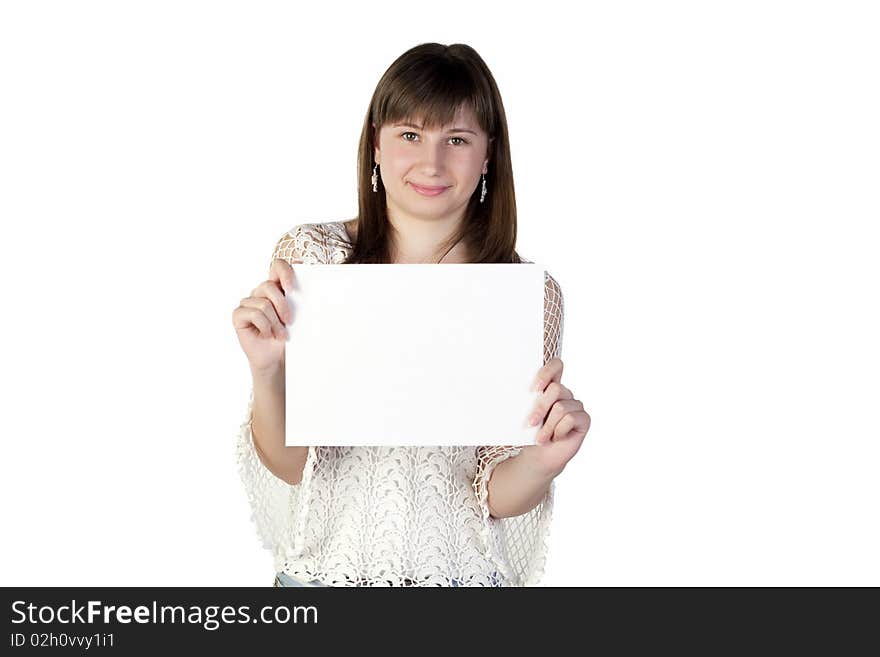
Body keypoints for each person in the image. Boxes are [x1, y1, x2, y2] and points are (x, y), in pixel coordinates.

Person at [231, 43, 591, 587]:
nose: (432, 162)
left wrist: (547, 459)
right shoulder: (314, 260)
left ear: (488, 154)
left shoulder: (523, 295)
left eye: (457, 139)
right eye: (409, 135)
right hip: (322, 582)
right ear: (376, 143)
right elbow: (291, 463)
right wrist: (267, 370)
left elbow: (493, 491)